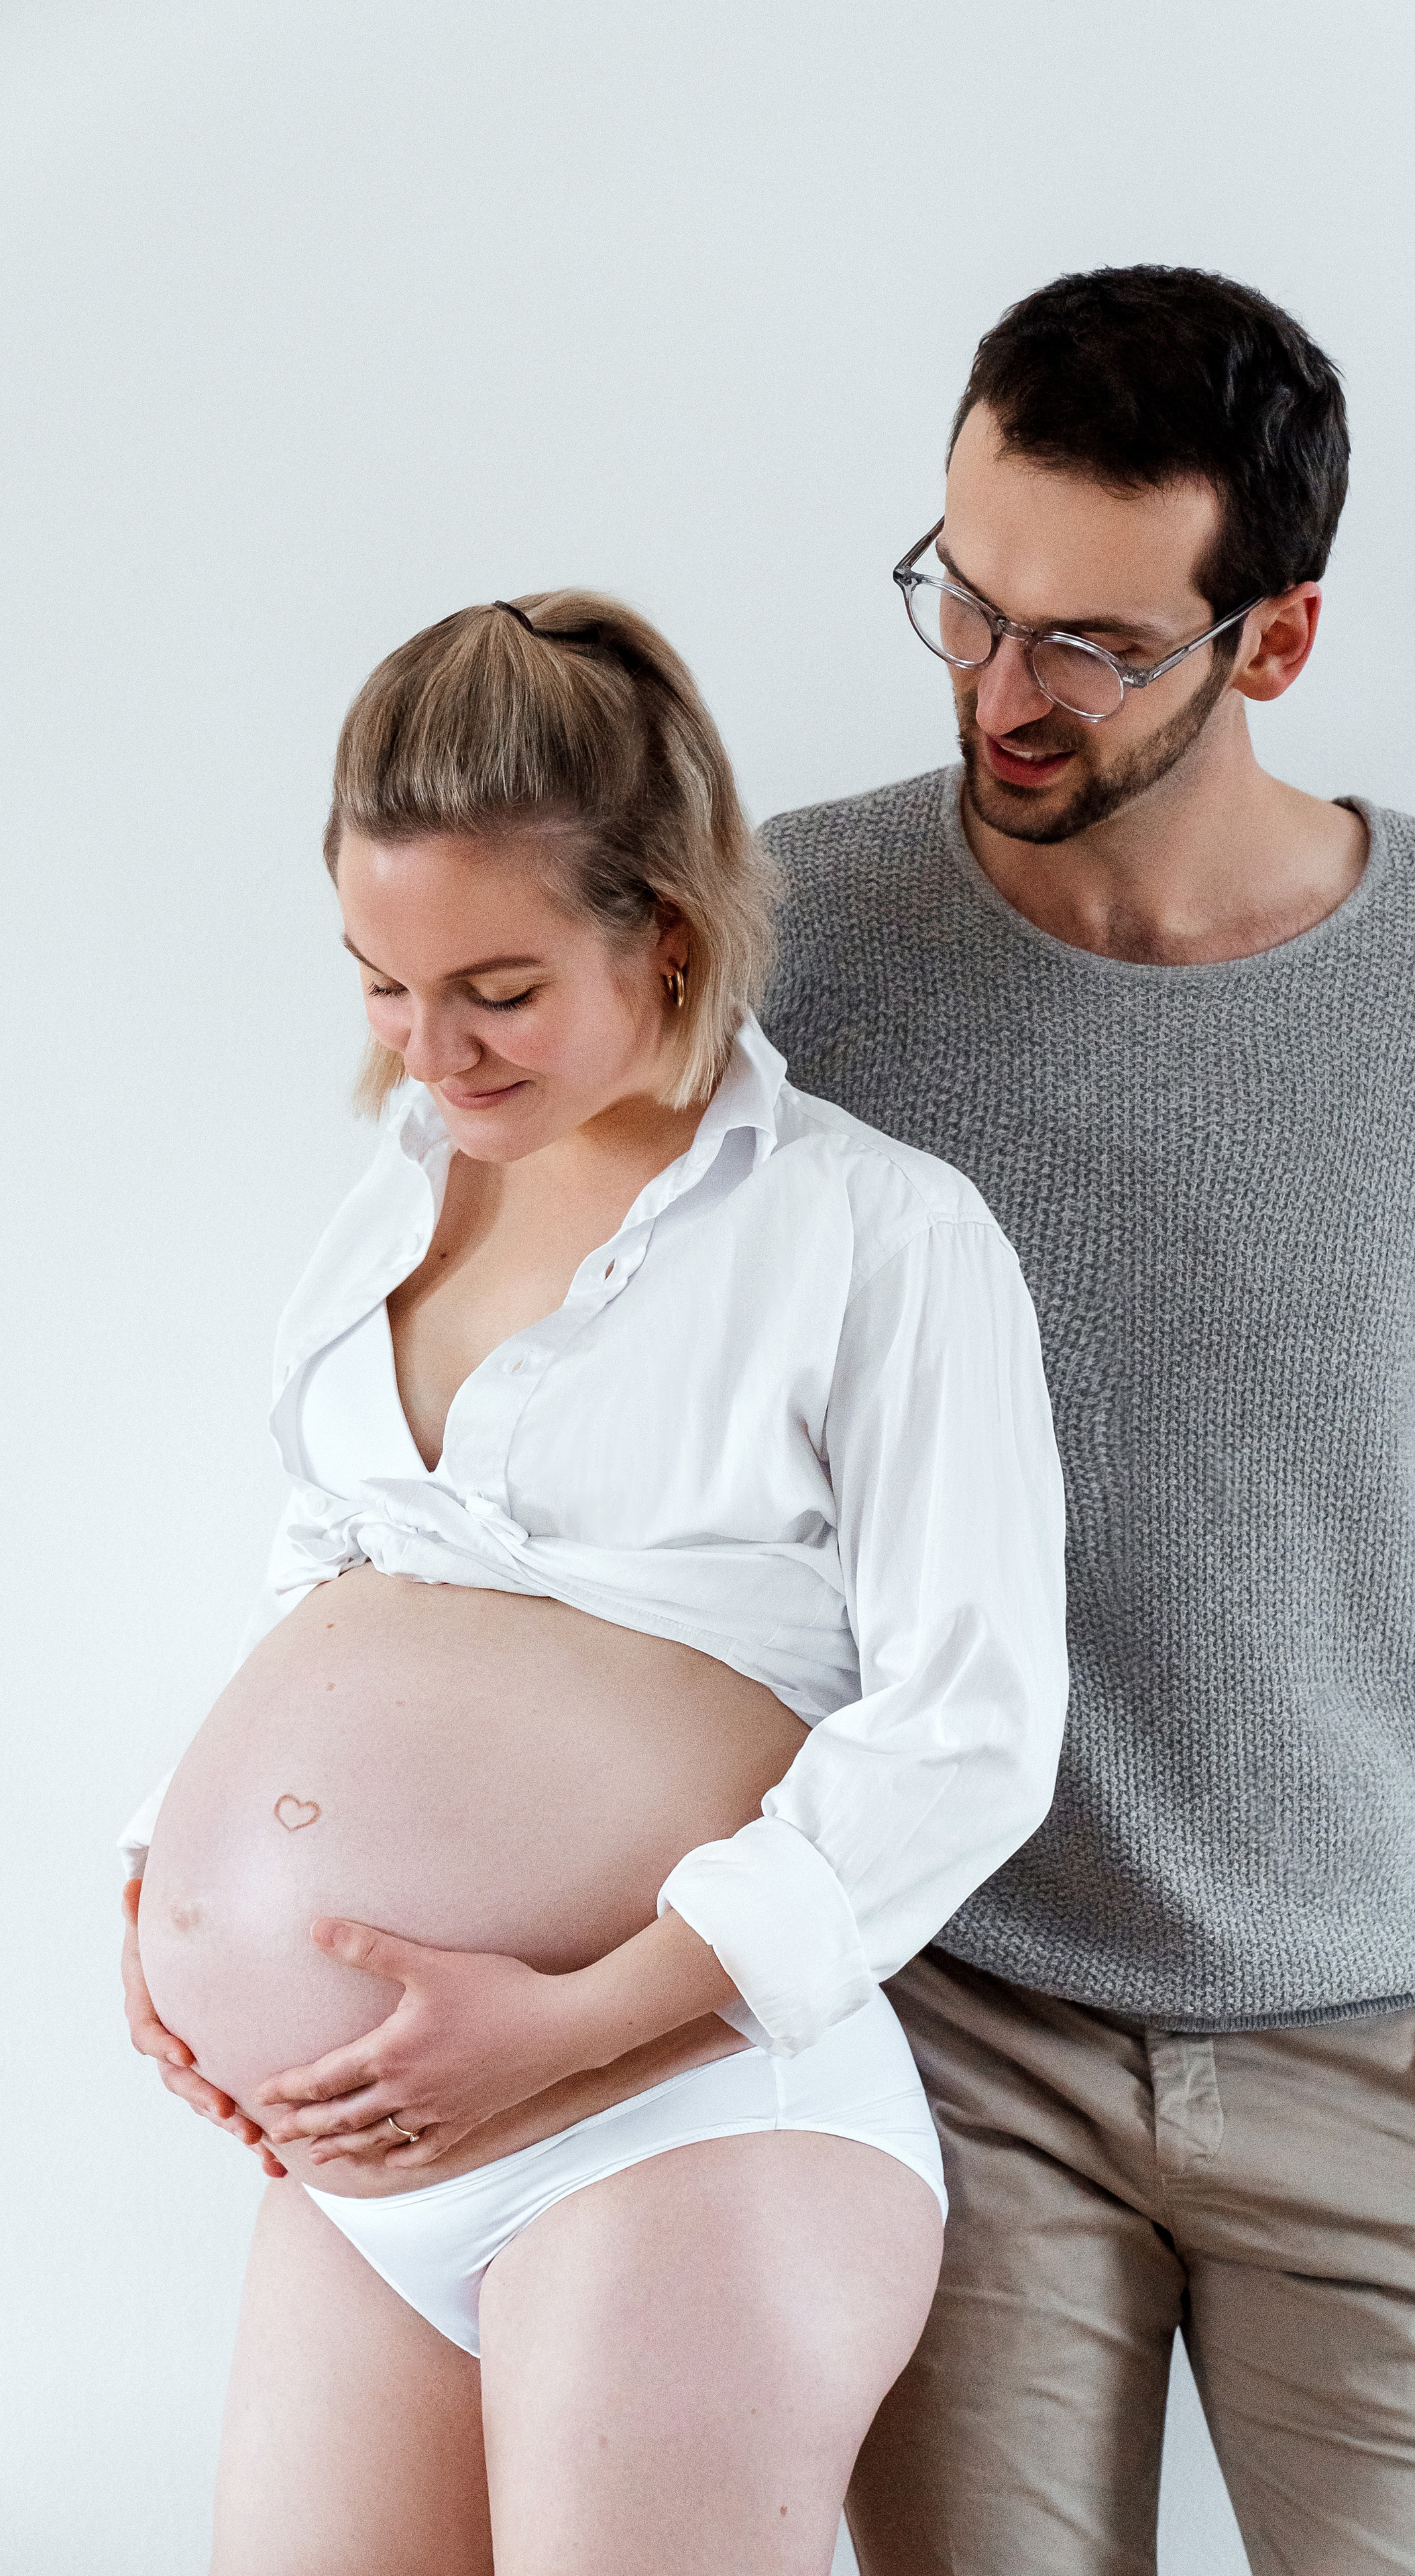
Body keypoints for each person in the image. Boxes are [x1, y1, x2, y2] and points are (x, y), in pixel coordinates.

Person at [760, 267, 1415, 2575]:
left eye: (1088, 643)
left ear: (1271, 642)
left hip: (1397, 2060)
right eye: (964, 603)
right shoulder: (790, 942)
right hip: (955, 2035)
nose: (1001, 689)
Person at [117, 590, 1068, 2576]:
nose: (429, 1054)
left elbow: (968, 1736)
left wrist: (573, 2024)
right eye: (381, 984)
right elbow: (333, 1558)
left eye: (495, 988)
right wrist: (171, 1895)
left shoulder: (877, 1239)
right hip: (376, 2158)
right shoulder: (394, 1204)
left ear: (670, 935)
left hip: (683, 2118)